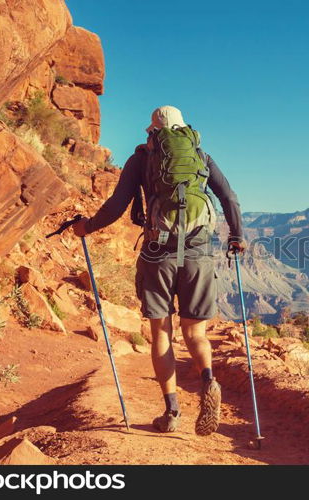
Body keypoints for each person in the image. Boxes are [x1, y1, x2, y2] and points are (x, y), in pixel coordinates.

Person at [73, 105, 245, 435]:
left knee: (162, 333)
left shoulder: (142, 159)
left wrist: (88, 227)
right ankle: (208, 379)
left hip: (157, 254)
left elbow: (117, 204)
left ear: (152, 131)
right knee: (196, 333)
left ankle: (172, 412)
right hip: (198, 254)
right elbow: (230, 198)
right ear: (183, 130)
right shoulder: (201, 158)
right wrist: (236, 237)